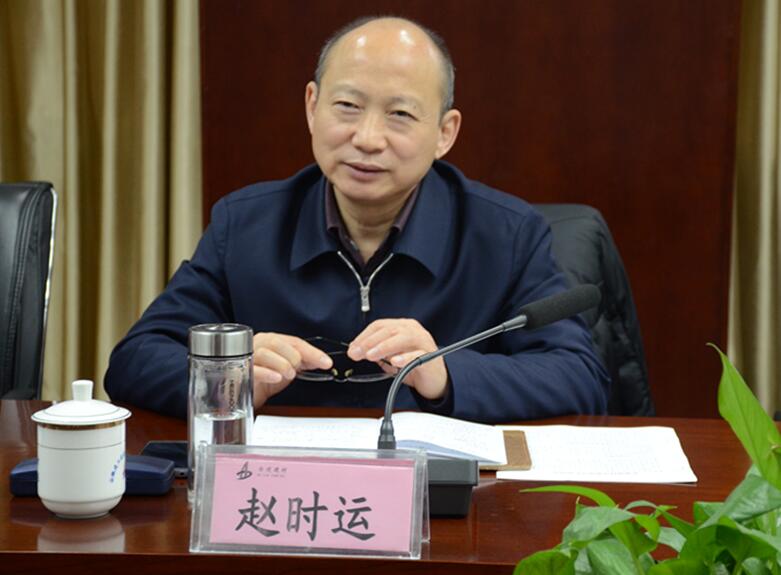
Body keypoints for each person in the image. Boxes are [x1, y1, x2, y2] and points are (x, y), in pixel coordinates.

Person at [104, 16, 609, 423]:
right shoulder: (245, 225)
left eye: (400, 115)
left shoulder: (506, 234)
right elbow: (135, 360)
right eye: (347, 106)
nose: (367, 138)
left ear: (445, 133)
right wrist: (226, 381)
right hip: (285, 492)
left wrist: (444, 373)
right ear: (312, 107)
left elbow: (579, 377)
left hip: (441, 498)